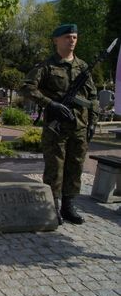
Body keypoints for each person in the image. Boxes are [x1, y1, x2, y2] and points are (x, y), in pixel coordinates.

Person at [21, 24, 98, 225]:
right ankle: (52, 207)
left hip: (79, 126)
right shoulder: (46, 66)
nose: (72, 40)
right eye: (67, 37)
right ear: (56, 40)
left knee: (75, 166)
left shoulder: (83, 67)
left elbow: (93, 97)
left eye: (74, 37)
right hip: (56, 127)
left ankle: (69, 206)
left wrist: (92, 123)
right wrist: (51, 104)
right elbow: (27, 87)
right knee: (55, 167)